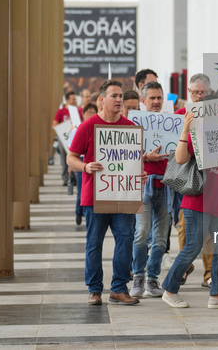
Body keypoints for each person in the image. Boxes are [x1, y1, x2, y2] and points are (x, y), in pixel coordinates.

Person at [67, 79, 148, 306]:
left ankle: (119, 289)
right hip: (95, 197)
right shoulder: (88, 126)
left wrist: (139, 175)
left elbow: (134, 161)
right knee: (94, 243)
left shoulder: (130, 128)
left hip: (123, 195)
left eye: (120, 96)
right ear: (101, 100)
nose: (119, 100)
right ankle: (94, 290)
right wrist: (85, 166)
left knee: (125, 240)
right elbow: (70, 157)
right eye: (114, 96)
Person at [161, 103, 218, 309]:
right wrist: (185, 130)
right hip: (197, 202)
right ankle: (170, 290)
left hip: (217, 203)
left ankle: (217, 295)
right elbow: (180, 159)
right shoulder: (198, 136)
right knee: (192, 248)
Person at [131, 81, 171, 298]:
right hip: (143, 186)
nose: (156, 102)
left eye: (159, 98)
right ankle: (138, 276)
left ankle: (152, 280)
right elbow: (125, 154)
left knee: (161, 238)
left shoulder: (171, 123)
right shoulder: (134, 124)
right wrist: (146, 157)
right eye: (152, 98)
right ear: (143, 101)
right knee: (141, 234)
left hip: (166, 187)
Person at [174, 73, 213, 286]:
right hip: (189, 178)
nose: (199, 96)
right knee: (184, 227)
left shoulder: (217, 115)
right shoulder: (180, 114)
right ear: (189, 93)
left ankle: (209, 274)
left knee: (209, 232)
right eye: (195, 92)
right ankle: (184, 267)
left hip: (214, 180)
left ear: (209, 93)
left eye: (203, 92)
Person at [68, 103, 98, 225]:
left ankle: (85, 214)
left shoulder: (98, 128)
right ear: (83, 114)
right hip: (81, 164)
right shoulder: (78, 129)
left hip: (93, 166)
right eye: (88, 112)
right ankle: (79, 213)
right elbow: (70, 152)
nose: (90, 115)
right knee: (81, 191)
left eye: (93, 112)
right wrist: (72, 166)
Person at [53, 91, 83, 186]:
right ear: (67, 100)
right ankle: (65, 178)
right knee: (64, 159)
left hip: (75, 138)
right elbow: (54, 124)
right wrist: (65, 126)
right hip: (64, 139)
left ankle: (74, 178)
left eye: (75, 99)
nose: (75, 101)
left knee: (75, 157)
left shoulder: (77, 111)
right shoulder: (61, 112)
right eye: (73, 99)